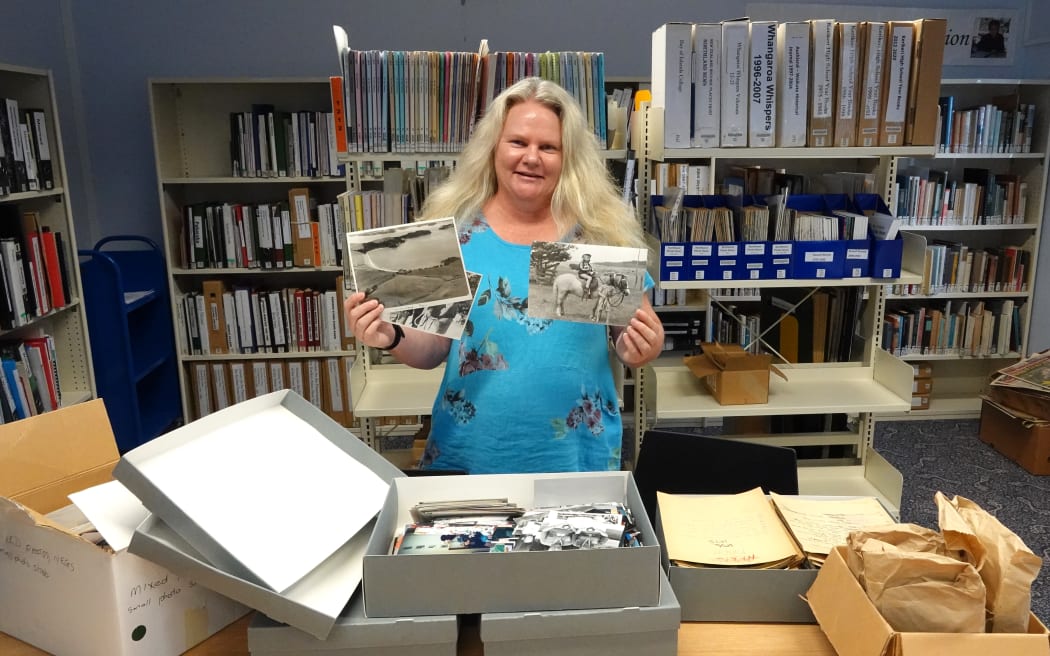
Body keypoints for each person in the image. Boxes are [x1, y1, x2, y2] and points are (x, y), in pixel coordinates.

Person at [344, 76, 665, 474]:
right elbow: (429, 350)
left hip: (576, 460)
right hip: (470, 456)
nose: (531, 157)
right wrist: (388, 334)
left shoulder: (599, 232)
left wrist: (643, 347)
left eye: (548, 147)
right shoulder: (454, 230)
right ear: (493, 147)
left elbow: (631, 335)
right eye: (518, 142)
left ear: (569, 158)